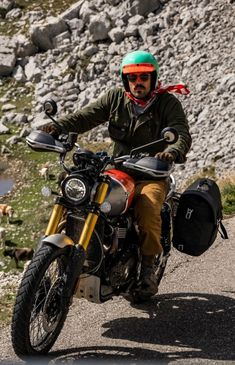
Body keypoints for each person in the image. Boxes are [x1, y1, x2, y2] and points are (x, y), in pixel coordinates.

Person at [41, 50, 192, 297]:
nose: (138, 82)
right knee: (78, 195)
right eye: (132, 78)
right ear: (125, 80)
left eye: (144, 77)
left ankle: (147, 268)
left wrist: (171, 151)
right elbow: (86, 116)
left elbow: (181, 132)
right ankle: (59, 255)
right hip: (116, 169)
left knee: (148, 208)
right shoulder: (115, 98)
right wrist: (57, 127)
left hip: (149, 175)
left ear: (153, 78)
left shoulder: (167, 103)